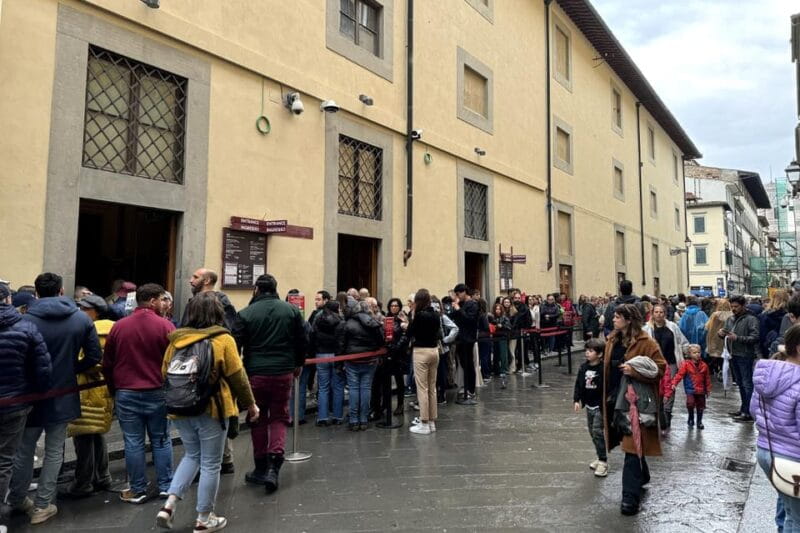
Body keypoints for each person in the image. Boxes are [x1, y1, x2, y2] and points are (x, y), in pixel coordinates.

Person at [156, 292, 259, 533]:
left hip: (180, 407)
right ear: (217, 313)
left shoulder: (176, 340)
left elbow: (164, 373)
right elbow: (238, 377)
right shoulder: (223, 339)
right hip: (213, 407)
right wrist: (250, 404)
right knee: (211, 463)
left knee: (191, 455)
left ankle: (169, 504)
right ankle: (204, 517)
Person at [8, 273, 101, 525]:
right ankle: (43, 504)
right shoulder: (81, 319)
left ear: (36, 293)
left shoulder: (24, 319)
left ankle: (17, 497)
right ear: (61, 291)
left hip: (30, 392)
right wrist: (73, 368)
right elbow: (94, 355)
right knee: (54, 450)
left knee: (24, 449)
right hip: (63, 391)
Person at [102, 283, 175, 503]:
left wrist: (114, 388)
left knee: (133, 442)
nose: (164, 304)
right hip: (158, 390)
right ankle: (166, 486)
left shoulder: (119, 326)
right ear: (152, 301)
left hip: (127, 391)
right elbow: (173, 361)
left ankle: (138, 489)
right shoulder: (167, 327)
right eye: (162, 299)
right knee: (161, 440)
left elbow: (108, 362)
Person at [232, 274, 306, 494]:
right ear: (275, 288)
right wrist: (298, 363)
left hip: (255, 373)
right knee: (279, 417)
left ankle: (261, 466)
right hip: (283, 371)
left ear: (256, 289)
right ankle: (275, 463)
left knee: (257, 418)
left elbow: (236, 346)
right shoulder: (291, 311)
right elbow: (302, 340)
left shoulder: (245, 313)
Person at [602, 304, 666, 516]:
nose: (614, 320)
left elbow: (660, 368)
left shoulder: (646, 342)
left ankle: (629, 498)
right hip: (614, 400)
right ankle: (643, 474)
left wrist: (635, 371)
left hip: (635, 404)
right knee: (632, 445)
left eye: (618, 317)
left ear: (629, 320)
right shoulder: (612, 339)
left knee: (631, 447)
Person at [0, 282, 52, 530]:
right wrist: (36, 395)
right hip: (15, 403)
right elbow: (42, 369)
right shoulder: (25, 327)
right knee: (4, 461)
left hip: (16, 401)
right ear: (8, 300)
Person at [63, 295, 115, 498]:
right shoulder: (114, 329)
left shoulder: (88, 330)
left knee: (83, 435)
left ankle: (83, 482)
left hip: (85, 388)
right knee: (96, 433)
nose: (80, 310)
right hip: (104, 389)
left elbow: (90, 360)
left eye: (83, 308)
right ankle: (103, 476)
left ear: (94, 311)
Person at [751, 324, 800, 533]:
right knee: (797, 519)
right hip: (792, 459)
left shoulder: (769, 372)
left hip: (767, 451)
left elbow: (754, 410)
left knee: (791, 512)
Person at [337, 299, 384, 430]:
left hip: (352, 360)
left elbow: (342, 344)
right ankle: (363, 419)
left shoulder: (348, 323)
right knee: (366, 388)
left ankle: (353, 419)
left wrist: (339, 362)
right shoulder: (373, 322)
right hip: (370, 360)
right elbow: (381, 341)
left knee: (353, 389)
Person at [643, 303, 688, 431]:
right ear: (652, 314)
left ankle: (667, 412)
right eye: (656, 312)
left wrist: (688, 352)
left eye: (661, 312)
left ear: (665, 313)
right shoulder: (647, 329)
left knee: (670, 387)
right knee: (654, 387)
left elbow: (682, 342)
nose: (659, 314)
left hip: (671, 361)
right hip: (653, 363)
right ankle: (656, 411)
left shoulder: (673, 327)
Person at [406, 289, 441, 435]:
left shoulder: (419, 315)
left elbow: (410, 332)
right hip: (434, 351)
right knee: (432, 388)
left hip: (421, 351)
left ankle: (424, 422)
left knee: (422, 388)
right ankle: (432, 421)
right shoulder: (435, 314)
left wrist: (407, 323)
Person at [721, 295, 760, 422]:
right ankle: (743, 408)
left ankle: (748, 412)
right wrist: (721, 333)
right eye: (731, 306)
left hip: (745, 355)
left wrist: (738, 338)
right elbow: (726, 332)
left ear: (743, 306)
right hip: (733, 355)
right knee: (740, 384)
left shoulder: (751, 319)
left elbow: (755, 337)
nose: (733, 309)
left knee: (747, 384)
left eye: (736, 306)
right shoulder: (730, 319)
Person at [573, 338, 607, 477]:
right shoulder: (583, 367)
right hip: (589, 404)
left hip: (600, 405)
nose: (587, 353)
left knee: (597, 431)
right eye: (586, 350)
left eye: (591, 351)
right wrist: (576, 399)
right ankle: (599, 456)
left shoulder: (603, 368)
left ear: (599, 354)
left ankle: (603, 461)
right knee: (592, 432)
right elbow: (579, 384)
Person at [310, 300, 344, 426]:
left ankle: (322, 418)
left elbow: (312, 336)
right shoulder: (340, 321)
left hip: (321, 355)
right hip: (336, 356)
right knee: (338, 387)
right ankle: (337, 417)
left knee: (323, 387)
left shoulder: (318, 320)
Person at [669, 344, 711, 429]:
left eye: (699, 352)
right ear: (689, 354)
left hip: (701, 390)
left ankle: (699, 421)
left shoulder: (704, 366)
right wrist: (674, 383)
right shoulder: (686, 365)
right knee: (690, 403)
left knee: (701, 406)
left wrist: (708, 389)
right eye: (694, 352)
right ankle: (691, 417)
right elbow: (679, 375)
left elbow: (707, 378)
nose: (697, 354)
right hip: (690, 389)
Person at [450, 283, 479, 405]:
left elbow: (469, 320)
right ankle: (466, 387)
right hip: (460, 338)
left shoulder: (473, 304)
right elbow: (455, 317)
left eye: (458, 294)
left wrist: (458, 309)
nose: (457, 296)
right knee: (463, 363)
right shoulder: (461, 304)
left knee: (468, 364)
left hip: (468, 338)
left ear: (464, 292)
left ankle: (471, 390)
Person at [705, 299, 733, 377]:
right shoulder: (732, 315)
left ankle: (716, 369)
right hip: (728, 337)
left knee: (716, 354)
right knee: (726, 353)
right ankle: (723, 369)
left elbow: (707, 326)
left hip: (714, 337)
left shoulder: (715, 314)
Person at [760, 289, 789, 358]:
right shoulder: (791, 314)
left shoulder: (765, 315)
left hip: (769, 347)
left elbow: (762, 335)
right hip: (786, 347)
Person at [489, 302, 511, 388]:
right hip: (494, 338)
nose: (497, 310)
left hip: (502, 337)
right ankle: (496, 370)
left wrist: (501, 326)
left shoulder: (504, 318)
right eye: (496, 309)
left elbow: (509, 327)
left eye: (499, 309)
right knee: (496, 354)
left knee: (503, 354)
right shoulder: (492, 318)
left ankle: (503, 369)